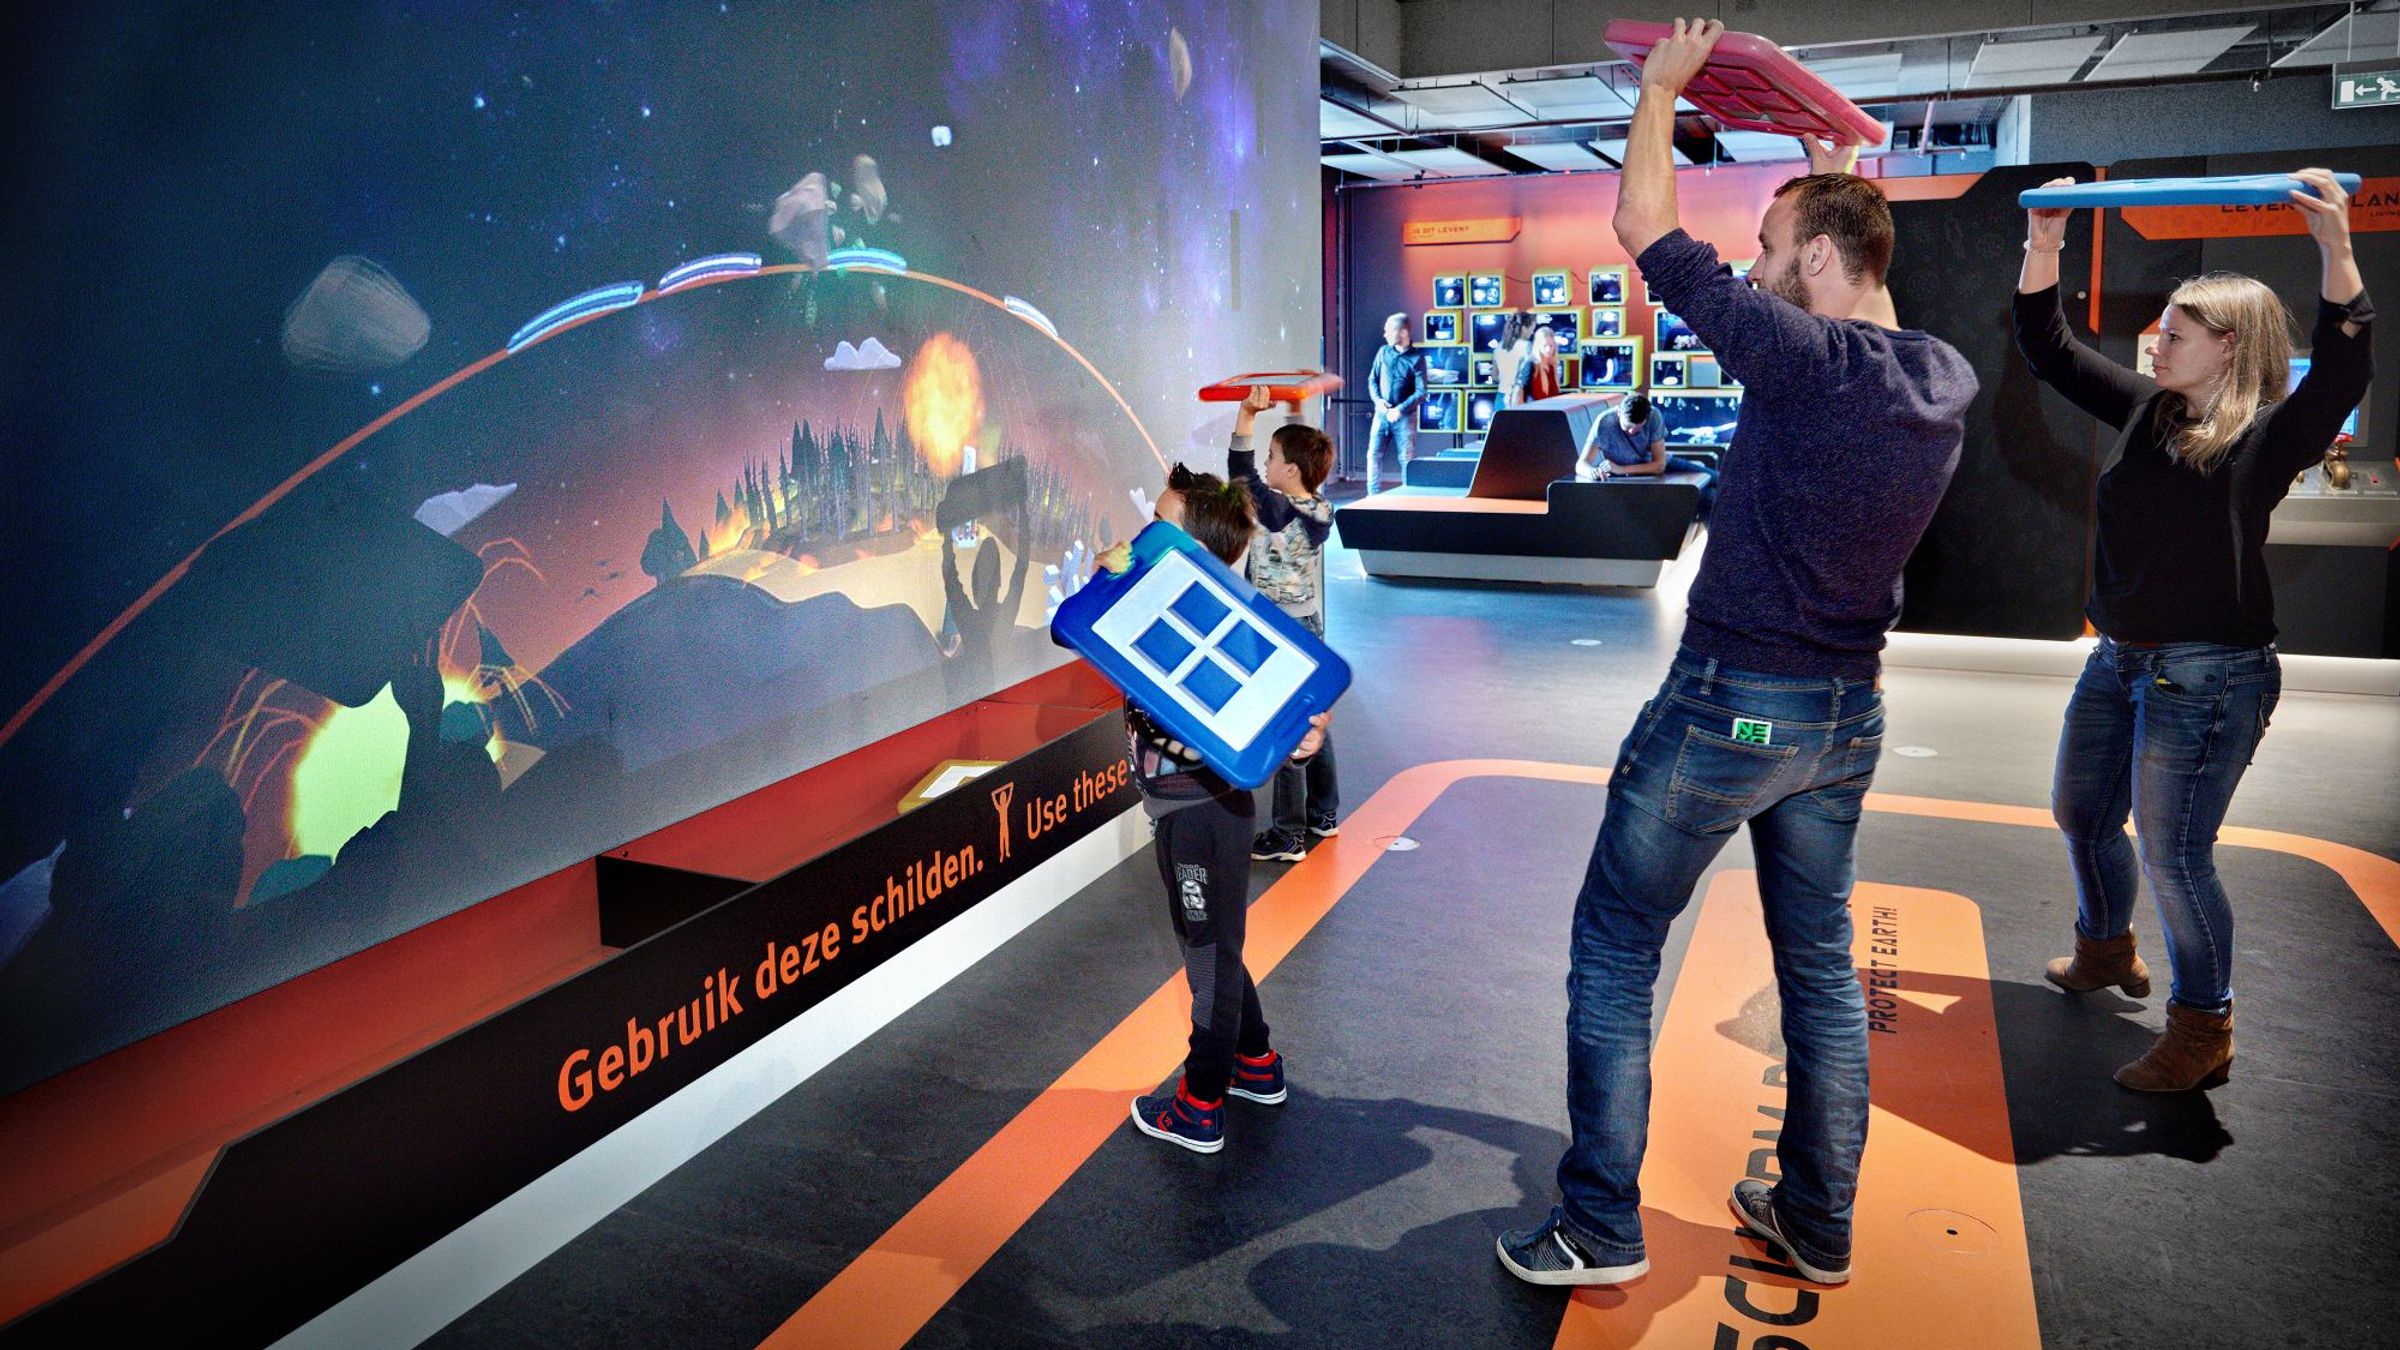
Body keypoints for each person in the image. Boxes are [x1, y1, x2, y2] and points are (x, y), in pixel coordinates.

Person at [1496, 17, 1976, 1292]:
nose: (1753, 270)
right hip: (1843, 718)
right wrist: (1835, 179)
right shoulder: (1939, 377)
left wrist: (1660, 93)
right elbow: (1863, 280)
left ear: (1816, 258)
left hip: (1729, 706)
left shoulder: (1801, 361)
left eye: (1769, 247)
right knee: (1817, 971)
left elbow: (1641, 223)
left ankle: (1598, 1225)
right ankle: (1817, 1219)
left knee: (1615, 944)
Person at [2016, 169, 2371, 1093]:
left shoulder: (2270, 437)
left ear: (2229, 347)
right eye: (2161, 331)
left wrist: (2334, 247)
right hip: (2117, 658)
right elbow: (2048, 349)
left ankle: (2204, 1027)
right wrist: (2045, 242)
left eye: (2176, 334)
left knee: (2175, 853)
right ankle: (2106, 948)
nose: (2157, 343)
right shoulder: (2147, 408)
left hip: (2212, 674)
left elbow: (2344, 369)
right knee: (2082, 814)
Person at [1096, 467, 1329, 1154]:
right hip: (1183, 812)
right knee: (1216, 946)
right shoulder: (1159, 610)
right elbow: (1086, 626)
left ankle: (1200, 1105)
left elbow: (1287, 710)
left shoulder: (1225, 627)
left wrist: (1306, 736)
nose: (1145, 533)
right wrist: (1105, 574)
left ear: (1193, 551)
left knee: (1209, 960)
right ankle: (1254, 1062)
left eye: (1160, 524)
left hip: (1203, 815)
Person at [1224, 387, 1342, 862]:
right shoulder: (1317, 508)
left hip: (1279, 633)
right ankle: (1324, 813)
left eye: (1273, 457)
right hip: (1306, 625)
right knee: (1313, 720)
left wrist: (1246, 415)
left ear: (1291, 471)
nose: (1266, 463)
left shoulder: (1278, 511)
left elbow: (1240, 475)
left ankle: (1288, 834)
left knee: (1288, 726)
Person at [1577, 391, 1720, 516]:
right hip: (1631, 480)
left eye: (1637, 428)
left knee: (1719, 479)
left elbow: (1659, 465)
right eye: (1628, 427)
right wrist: (1593, 472)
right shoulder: (1603, 423)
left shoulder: (1654, 416)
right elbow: (1581, 464)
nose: (1632, 432)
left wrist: (1621, 469)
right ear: (1619, 412)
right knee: (1712, 498)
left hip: (1657, 466)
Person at [1366, 313, 1424, 493]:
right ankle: (1372, 496)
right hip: (1381, 413)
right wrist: (1378, 401)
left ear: (1403, 333)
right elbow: (1372, 379)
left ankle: (1407, 497)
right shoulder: (1383, 352)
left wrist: (1399, 409)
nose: (1385, 335)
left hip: (1404, 417)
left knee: (1406, 458)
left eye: (1389, 331)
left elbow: (1421, 392)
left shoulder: (1417, 358)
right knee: (1373, 455)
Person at [1509, 325, 1564, 406]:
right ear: (1538, 346)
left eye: (1551, 346)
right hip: (1534, 410)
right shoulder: (1531, 364)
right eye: (1545, 346)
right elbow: (1520, 391)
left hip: (1550, 409)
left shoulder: (1552, 367)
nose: (1548, 349)